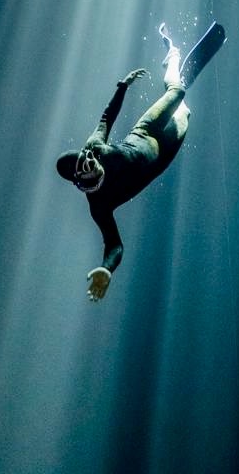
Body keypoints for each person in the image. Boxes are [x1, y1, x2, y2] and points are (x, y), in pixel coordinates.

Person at [56, 23, 192, 302]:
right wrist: (106, 269)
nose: (91, 161)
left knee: (178, 92)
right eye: (86, 166)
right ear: (79, 182)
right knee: (185, 113)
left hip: (144, 131)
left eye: (87, 157)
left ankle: (173, 55)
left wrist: (122, 86)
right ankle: (174, 77)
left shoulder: (94, 145)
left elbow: (106, 118)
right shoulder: (99, 205)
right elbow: (114, 244)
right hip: (160, 156)